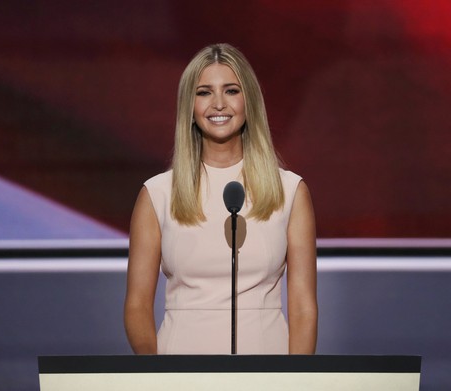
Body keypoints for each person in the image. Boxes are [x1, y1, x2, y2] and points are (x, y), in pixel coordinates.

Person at [124, 43, 317, 354]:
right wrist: (155, 376)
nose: (218, 104)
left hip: (268, 371)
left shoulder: (290, 192)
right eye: (203, 92)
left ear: (248, 101)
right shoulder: (157, 195)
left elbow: (304, 307)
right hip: (179, 373)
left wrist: (295, 379)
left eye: (230, 91)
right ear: (189, 106)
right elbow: (136, 306)